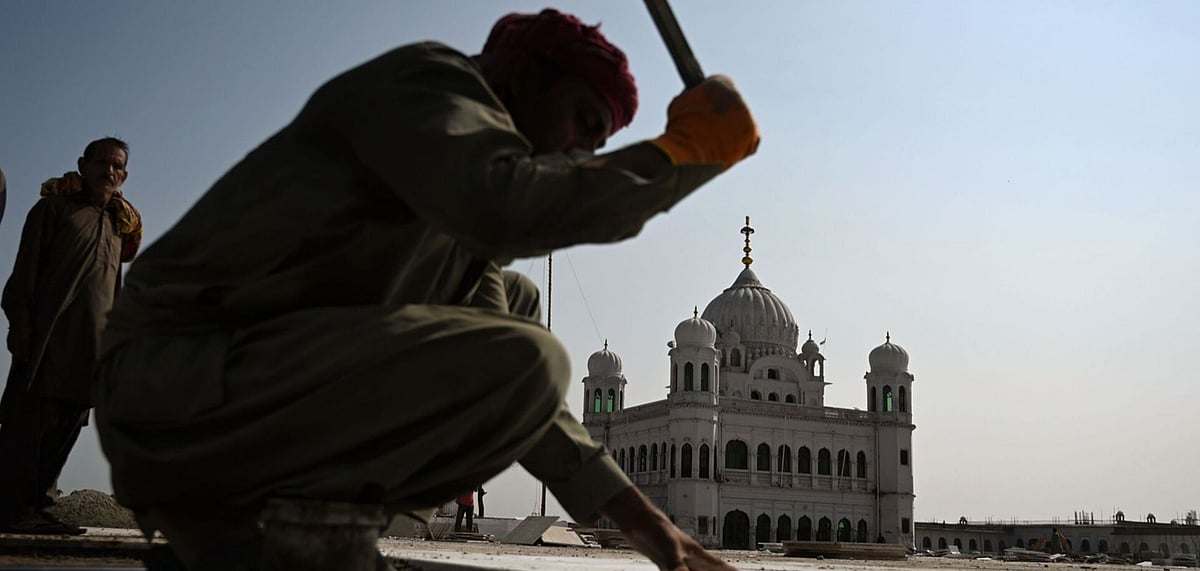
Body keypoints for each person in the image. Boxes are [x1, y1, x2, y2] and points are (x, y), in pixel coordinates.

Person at [94, 9, 756, 570]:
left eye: (599, 140)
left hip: (239, 384)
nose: (583, 153)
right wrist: (682, 153)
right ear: (524, 78)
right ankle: (262, 527)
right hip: (175, 379)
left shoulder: (453, 198)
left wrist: (653, 532)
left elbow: (527, 407)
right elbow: (509, 215)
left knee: (515, 313)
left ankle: (272, 529)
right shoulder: (428, 86)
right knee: (528, 353)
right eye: (583, 121)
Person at [1, 138, 142, 534]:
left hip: (91, 347)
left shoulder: (119, 225)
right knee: (27, 421)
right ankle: (10, 507)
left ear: (124, 176)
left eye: (117, 166)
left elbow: (114, 289)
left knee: (67, 424)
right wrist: (20, 322)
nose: (108, 172)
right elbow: (24, 272)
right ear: (83, 164)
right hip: (46, 339)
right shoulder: (52, 209)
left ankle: (39, 505)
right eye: (101, 163)